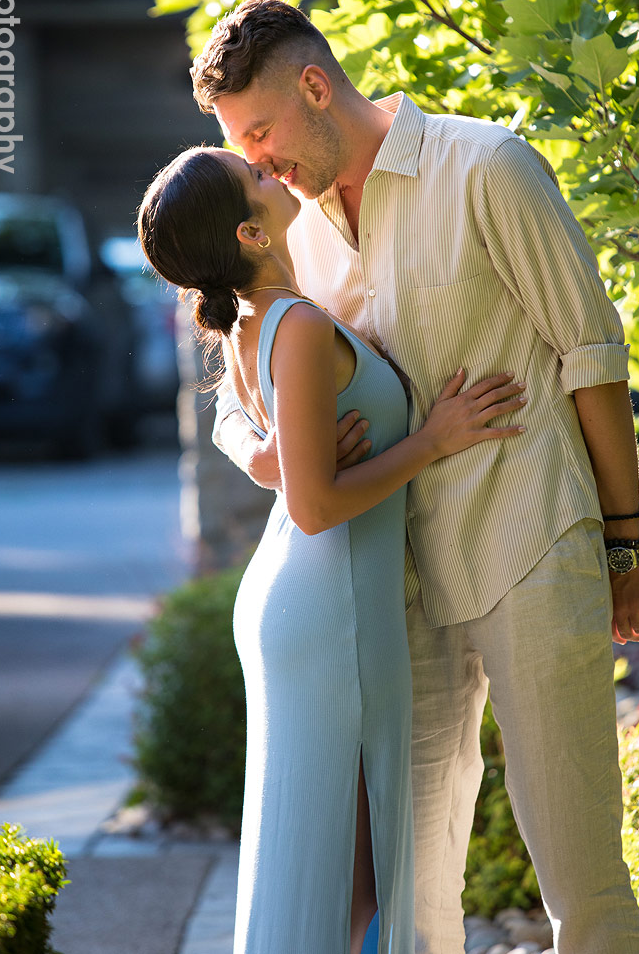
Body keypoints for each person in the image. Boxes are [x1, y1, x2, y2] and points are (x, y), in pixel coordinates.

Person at [191, 0, 639, 954]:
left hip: (529, 541)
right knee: (412, 891)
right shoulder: (289, 230)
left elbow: (592, 360)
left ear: (314, 86)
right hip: (390, 585)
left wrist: (623, 544)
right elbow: (236, 393)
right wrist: (265, 454)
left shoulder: (486, 167)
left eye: (261, 134)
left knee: (580, 876)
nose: (258, 164)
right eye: (241, 147)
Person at [136, 145, 527, 954]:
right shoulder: (298, 325)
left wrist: (264, 456)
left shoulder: (256, 319)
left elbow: (245, 432)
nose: (268, 168)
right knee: (350, 883)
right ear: (249, 233)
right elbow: (314, 508)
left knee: (327, 872)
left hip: (309, 598)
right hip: (330, 607)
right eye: (253, 177)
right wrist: (432, 440)